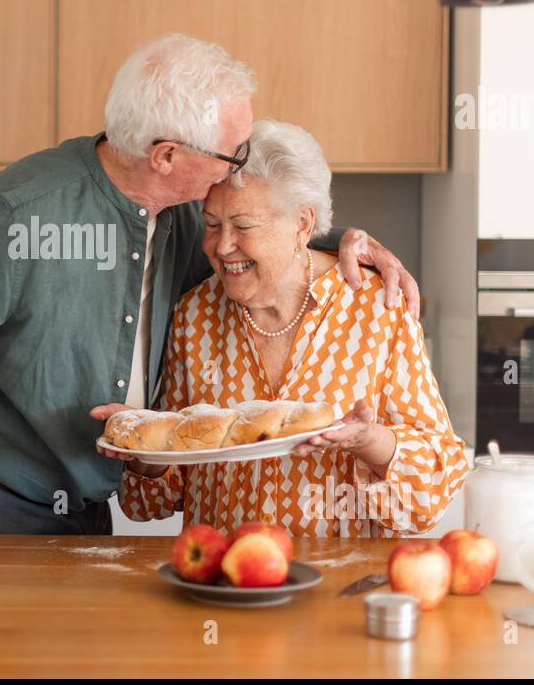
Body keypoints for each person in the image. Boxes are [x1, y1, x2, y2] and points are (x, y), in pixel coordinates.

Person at [0, 34, 421, 677]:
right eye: (234, 152)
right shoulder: (22, 221)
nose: (239, 165)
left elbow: (266, 227)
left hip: (83, 520)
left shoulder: (175, 213)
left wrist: (346, 240)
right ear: (167, 154)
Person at [98, 120, 468, 536]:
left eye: (244, 225)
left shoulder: (377, 307)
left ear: (303, 226)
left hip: (337, 585)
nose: (221, 247)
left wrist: (368, 441)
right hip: (223, 580)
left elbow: (436, 486)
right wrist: (144, 447)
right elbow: (153, 502)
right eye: (213, 224)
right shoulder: (195, 314)